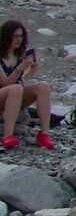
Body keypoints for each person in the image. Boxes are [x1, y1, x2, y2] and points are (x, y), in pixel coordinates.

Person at [0, 20, 54, 150]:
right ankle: (8, 135)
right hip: (3, 93)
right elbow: (5, 83)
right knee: (16, 88)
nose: (18, 39)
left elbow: (34, 68)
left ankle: (44, 133)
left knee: (43, 86)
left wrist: (26, 76)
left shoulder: (21, 54)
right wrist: (20, 69)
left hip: (15, 93)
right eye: (15, 36)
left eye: (21, 36)